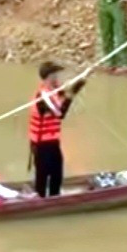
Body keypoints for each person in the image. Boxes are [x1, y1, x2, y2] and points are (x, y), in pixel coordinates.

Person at [28, 61, 87, 198]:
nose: (58, 78)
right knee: (43, 176)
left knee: (57, 174)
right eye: (56, 75)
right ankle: (40, 201)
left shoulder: (54, 91)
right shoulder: (43, 96)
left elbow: (68, 93)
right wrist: (70, 95)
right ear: (50, 77)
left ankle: (55, 198)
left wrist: (82, 80)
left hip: (52, 142)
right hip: (42, 143)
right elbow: (61, 113)